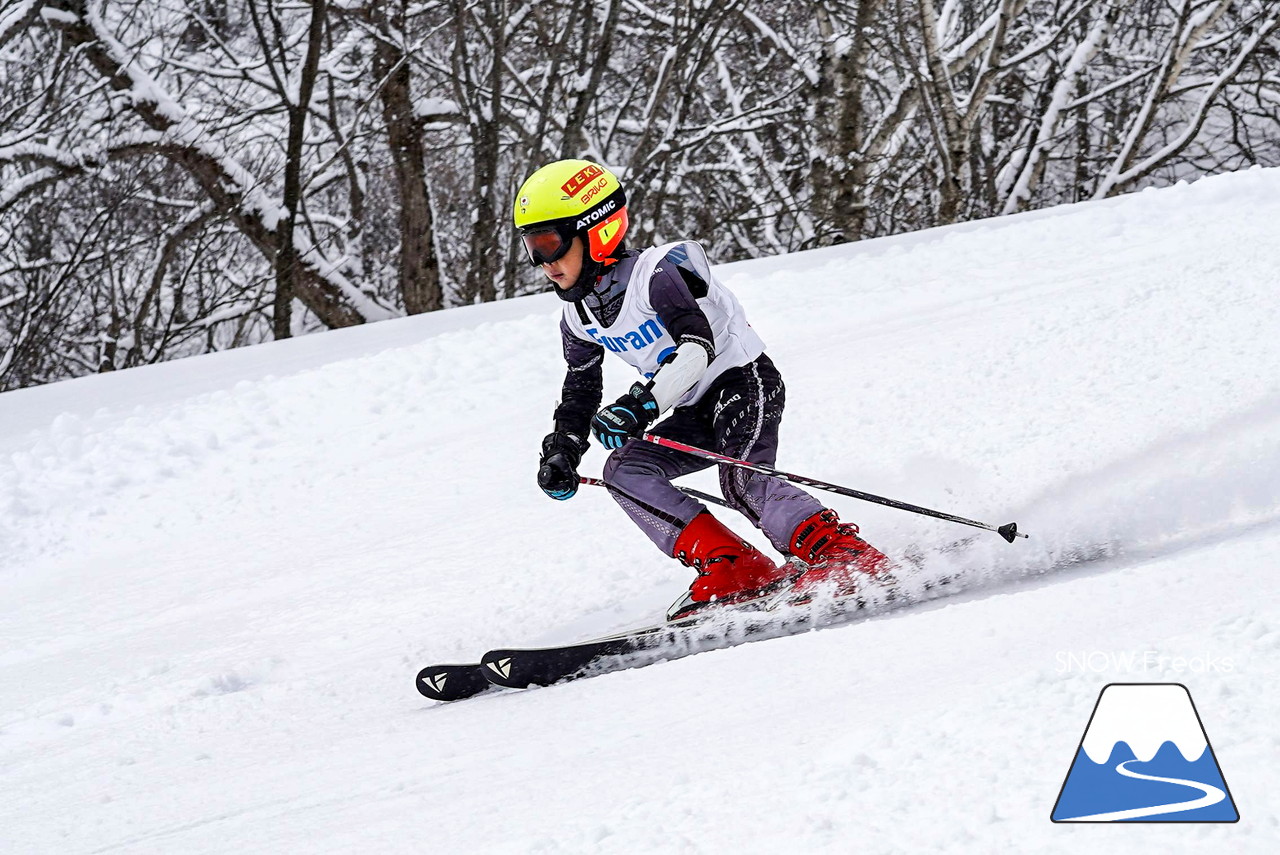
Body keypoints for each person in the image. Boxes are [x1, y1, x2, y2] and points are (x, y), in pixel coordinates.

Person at [515, 159, 892, 620]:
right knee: (625, 472)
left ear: (597, 231)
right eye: (532, 248)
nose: (543, 263)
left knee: (741, 480)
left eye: (550, 245)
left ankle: (844, 554)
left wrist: (640, 405)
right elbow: (579, 391)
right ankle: (734, 567)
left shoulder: (655, 275)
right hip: (695, 407)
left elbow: (697, 350)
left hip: (744, 382)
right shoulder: (578, 316)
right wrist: (562, 451)